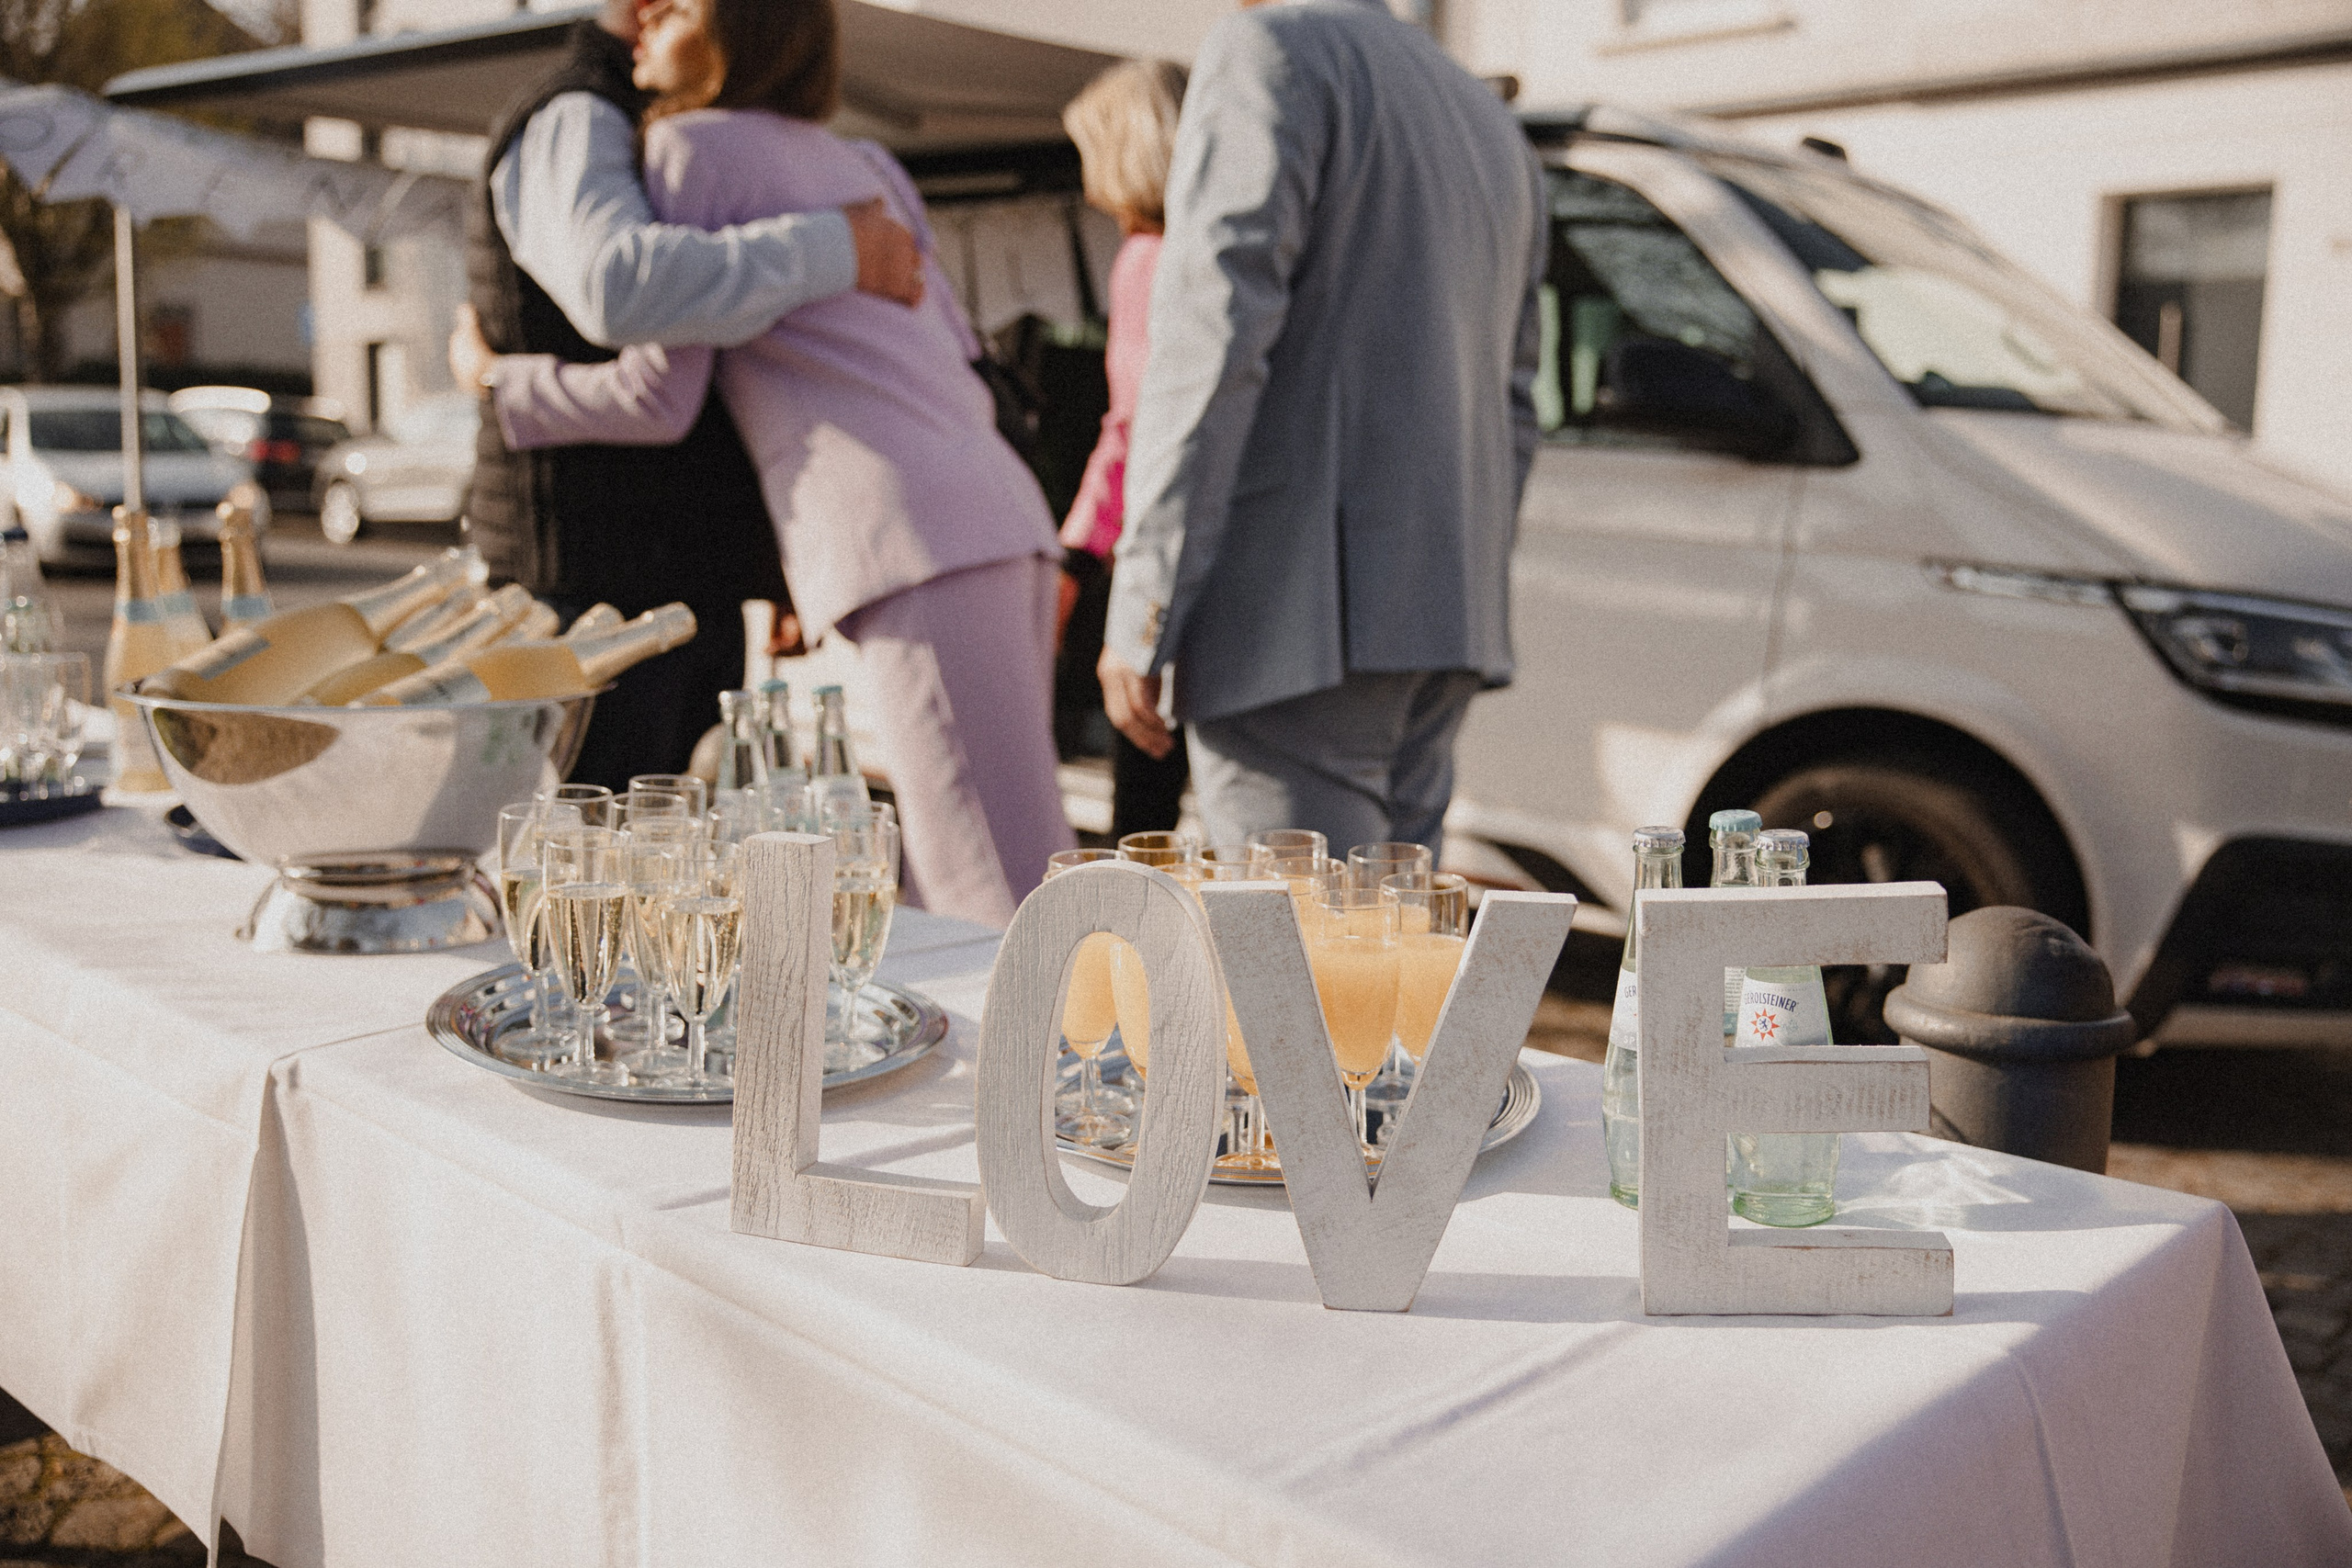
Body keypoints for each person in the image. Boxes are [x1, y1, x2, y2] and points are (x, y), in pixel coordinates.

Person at [464, 0, 1074, 927]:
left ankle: (1051, 1065)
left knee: (982, 888)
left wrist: (498, 381)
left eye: (679, 4)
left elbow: (657, 399)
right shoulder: (868, 165)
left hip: (902, 530)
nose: (646, 18)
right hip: (999, 511)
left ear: (732, 29)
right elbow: (953, 347)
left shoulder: (688, 154)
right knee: (1007, 856)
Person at [1096, 0, 1547, 854]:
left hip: (1292, 617)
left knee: (1294, 971)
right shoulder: (1489, 121)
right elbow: (1514, 403)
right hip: (1441, 611)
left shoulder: (1268, 51)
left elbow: (1212, 340)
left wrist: (1147, 603)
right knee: (1394, 959)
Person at [455, 0, 924, 791]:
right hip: (586, 578)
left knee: (662, 852)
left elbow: (725, 371)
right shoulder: (578, 114)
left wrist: (765, 558)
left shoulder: (679, 121)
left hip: (671, 579)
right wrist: (835, 245)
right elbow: (620, 287)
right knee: (586, 854)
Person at [1056, 60, 1193, 842]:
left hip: (1162, 559)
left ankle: (1141, 959)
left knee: (1144, 804)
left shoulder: (1148, 260)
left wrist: (1076, 556)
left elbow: (1132, 429)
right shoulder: (1230, 252)